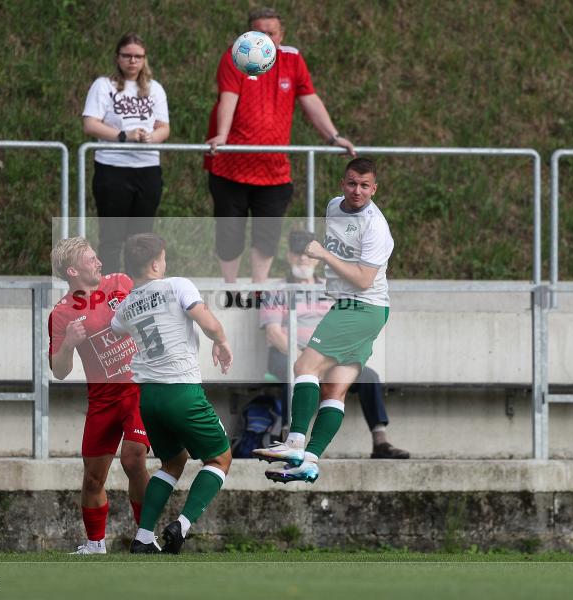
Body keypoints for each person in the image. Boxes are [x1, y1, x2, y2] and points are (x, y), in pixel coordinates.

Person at [254, 157, 393, 482]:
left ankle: (295, 442)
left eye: (364, 186)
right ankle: (309, 462)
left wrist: (325, 256)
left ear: (374, 188)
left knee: (304, 367)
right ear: (342, 183)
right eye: (351, 184)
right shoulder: (334, 206)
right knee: (333, 389)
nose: (357, 191)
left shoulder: (375, 226)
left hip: (360, 304)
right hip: (360, 308)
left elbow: (362, 280)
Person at [205, 7, 356, 284]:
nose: (265, 39)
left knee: (267, 234)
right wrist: (223, 136)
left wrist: (333, 137)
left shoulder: (292, 59)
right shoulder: (235, 56)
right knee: (229, 232)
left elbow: (309, 99)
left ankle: (258, 289)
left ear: (281, 35)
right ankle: (230, 287)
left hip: (273, 168)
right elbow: (229, 95)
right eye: (258, 33)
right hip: (231, 165)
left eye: (271, 33)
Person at [111, 233, 233, 554]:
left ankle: (143, 537)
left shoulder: (124, 308)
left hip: (149, 399)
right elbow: (206, 322)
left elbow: (116, 326)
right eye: (163, 258)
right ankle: (182, 524)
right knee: (220, 458)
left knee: (172, 461)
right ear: (155, 263)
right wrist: (220, 341)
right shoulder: (177, 285)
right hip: (182, 391)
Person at [260, 230, 409, 460]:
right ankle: (291, 435)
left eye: (307, 255)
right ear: (289, 256)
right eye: (297, 254)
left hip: (331, 351)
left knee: (368, 376)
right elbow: (274, 333)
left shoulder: (329, 288)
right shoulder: (278, 290)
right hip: (289, 351)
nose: (303, 259)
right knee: (299, 370)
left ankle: (380, 440)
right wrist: (306, 356)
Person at [49, 237, 150, 555]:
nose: (99, 263)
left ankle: (146, 536)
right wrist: (68, 345)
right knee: (93, 478)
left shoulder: (121, 282)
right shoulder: (62, 314)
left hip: (137, 388)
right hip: (103, 399)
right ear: (72, 270)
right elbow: (59, 370)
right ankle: (95, 545)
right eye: (91, 259)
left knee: (134, 460)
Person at [82, 32, 171, 274]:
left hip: (147, 169)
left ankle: (137, 289)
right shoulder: (103, 85)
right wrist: (124, 136)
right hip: (112, 168)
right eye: (127, 56)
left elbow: (164, 128)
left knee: (141, 238)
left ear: (145, 59)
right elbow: (90, 124)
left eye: (138, 56)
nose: (133, 61)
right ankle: (110, 291)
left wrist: (151, 137)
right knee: (111, 237)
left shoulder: (155, 89)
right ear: (118, 57)